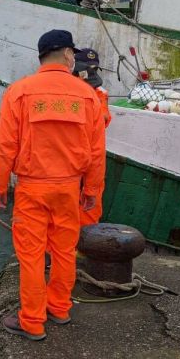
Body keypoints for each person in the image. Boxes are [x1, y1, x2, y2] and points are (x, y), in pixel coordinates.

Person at [0, 29, 105, 341]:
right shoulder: (87, 95)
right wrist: (92, 190)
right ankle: (60, 307)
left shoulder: (19, 91)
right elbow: (96, 150)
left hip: (32, 187)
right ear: (68, 55)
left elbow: (4, 145)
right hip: (69, 188)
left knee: (31, 254)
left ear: (40, 56)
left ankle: (32, 321)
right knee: (65, 250)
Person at [73, 48, 112, 226]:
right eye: (89, 69)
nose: (91, 73)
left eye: (94, 70)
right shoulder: (68, 88)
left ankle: (83, 244)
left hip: (88, 156)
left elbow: (104, 119)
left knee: (89, 208)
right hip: (71, 157)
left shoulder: (100, 92)